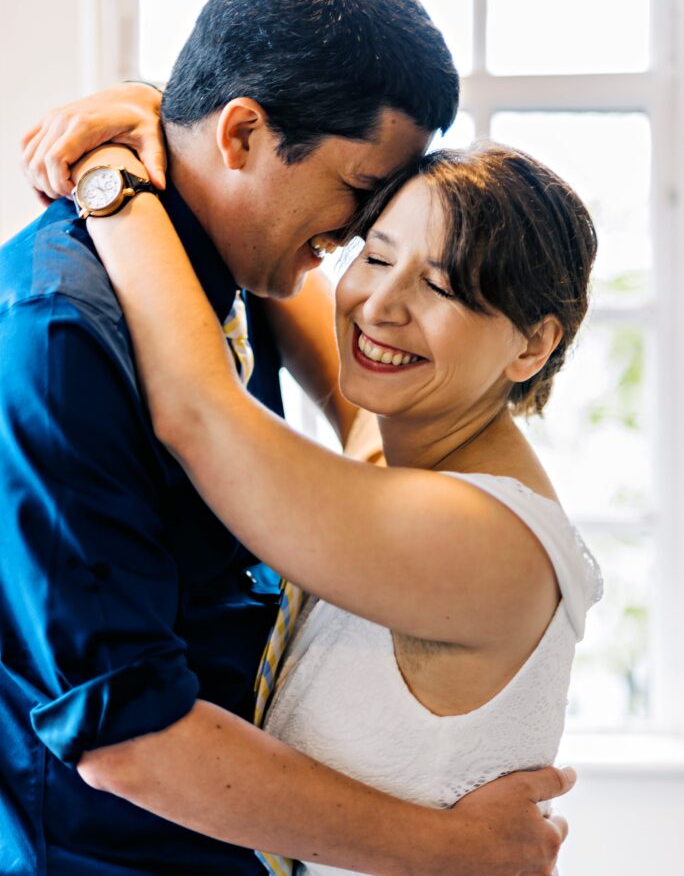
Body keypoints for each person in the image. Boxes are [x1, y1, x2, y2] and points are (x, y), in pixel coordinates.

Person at [1, 0, 575, 876]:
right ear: (240, 136)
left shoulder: (240, 265)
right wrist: (449, 850)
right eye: (362, 202)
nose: (353, 253)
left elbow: (219, 406)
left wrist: (133, 137)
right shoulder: (66, 334)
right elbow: (123, 732)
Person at [68, 142, 600, 876]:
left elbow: (200, 417)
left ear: (533, 345)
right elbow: (285, 286)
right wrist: (157, 116)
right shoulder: (411, 463)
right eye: (376, 258)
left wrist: (112, 183)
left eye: (442, 289)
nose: (382, 305)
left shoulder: (477, 540)